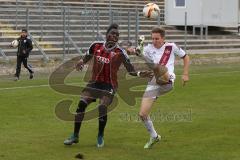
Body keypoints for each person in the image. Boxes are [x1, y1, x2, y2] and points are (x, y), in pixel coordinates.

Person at [63, 23, 153, 147]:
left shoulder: (120, 52)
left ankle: (100, 136)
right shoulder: (96, 46)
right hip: (94, 83)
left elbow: (130, 70)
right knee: (82, 103)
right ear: (107, 35)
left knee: (102, 107)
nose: (115, 36)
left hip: (109, 85)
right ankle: (75, 135)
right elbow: (87, 56)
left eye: (117, 35)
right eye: (112, 34)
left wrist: (140, 73)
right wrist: (81, 61)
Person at [135, 27, 190, 149]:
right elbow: (148, 62)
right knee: (142, 114)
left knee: (160, 68)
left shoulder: (171, 46)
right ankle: (154, 136)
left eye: (157, 38)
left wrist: (185, 74)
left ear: (163, 38)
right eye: (153, 38)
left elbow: (186, 57)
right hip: (154, 82)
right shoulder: (148, 49)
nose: (154, 41)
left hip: (167, 80)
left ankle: (147, 74)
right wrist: (134, 51)